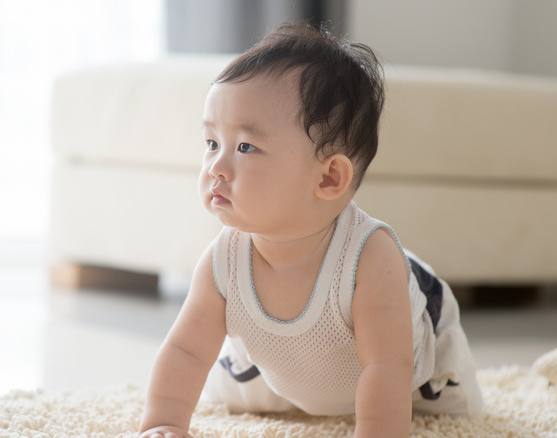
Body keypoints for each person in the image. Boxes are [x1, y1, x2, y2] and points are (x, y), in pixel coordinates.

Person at [138, 22, 483, 438]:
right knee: (231, 386)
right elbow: (187, 351)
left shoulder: (370, 260)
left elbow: (387, 367)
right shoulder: (222, 261)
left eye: (245, 147)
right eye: (212, 143)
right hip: (288, 363)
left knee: (450, 412)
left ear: (328, 179)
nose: (216, 168)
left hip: (416, 364)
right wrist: (163, 424)